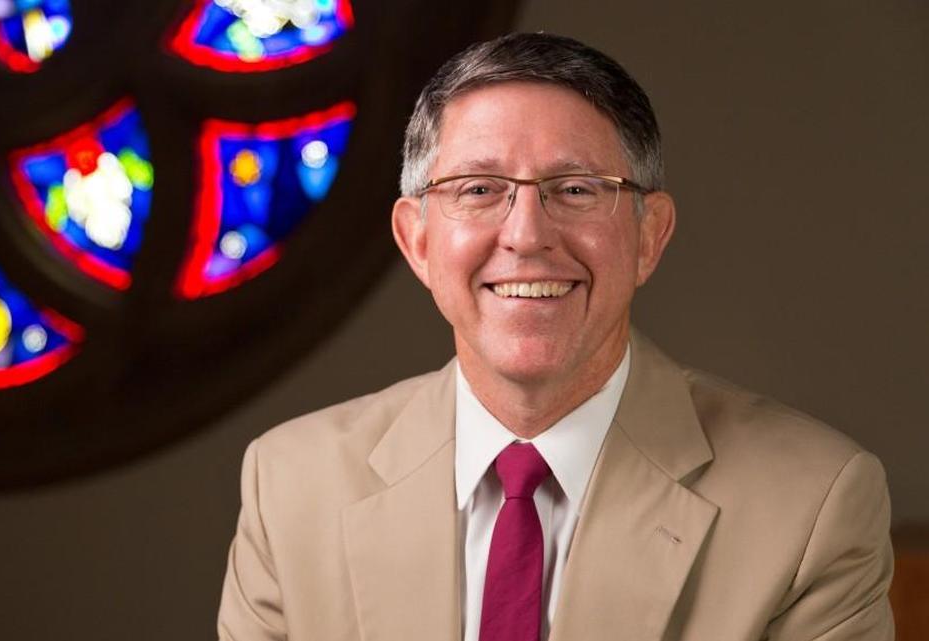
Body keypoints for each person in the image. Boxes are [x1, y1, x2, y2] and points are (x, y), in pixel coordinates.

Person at [217, 33, 894, 641]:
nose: (526, 234)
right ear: (417, 241)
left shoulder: (812, 506)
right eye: (479, 188)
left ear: (648, 237)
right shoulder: (290, 488)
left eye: (575, 189)